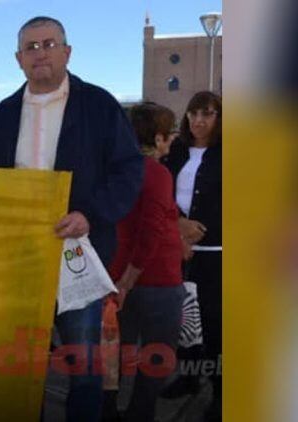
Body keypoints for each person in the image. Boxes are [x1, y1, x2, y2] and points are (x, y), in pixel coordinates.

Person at [0, 16, 144, 421]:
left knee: (84, 366)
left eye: (49, 44)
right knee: (21, 364)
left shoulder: (100, 105)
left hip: (79, 257)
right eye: (30, 48)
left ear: (67, 52)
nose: (40, 54)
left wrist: (91, 215)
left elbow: (128, 171)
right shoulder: (4, 113)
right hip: (20, 262)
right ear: (18, 59)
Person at [105, 102, 185, 421]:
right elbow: (150, 230)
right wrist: (128, 281)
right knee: (156, 359)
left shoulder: (113, 169)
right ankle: (139, 415)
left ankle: (108, 413)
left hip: (115, 276)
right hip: (154, 281)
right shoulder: (157, 172)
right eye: (170, 134)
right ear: (160, 137)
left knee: (112, 358)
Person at [161, 91, 222, 421]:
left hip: (215, 255)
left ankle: (221, 391)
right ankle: (188, 377)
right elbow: (160, 194)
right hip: (177, 251)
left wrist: (206, 229)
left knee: (214, 325)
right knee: (183, 321)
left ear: (219, 117)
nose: (198, 120)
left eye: (207, 114)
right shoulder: (177, 151)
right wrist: (179, 224)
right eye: (193, 113)